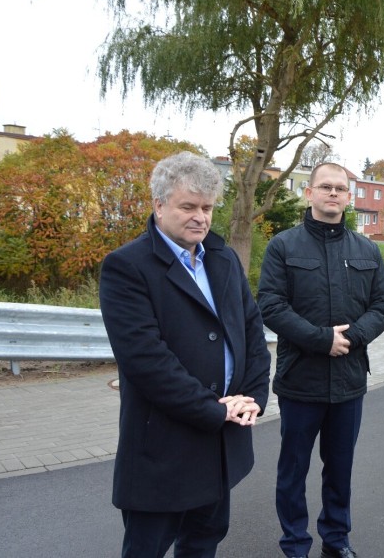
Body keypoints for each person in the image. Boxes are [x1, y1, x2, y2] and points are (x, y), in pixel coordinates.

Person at [99, 151, 271, 557]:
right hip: (163, 450)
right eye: (188, 207)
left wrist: (253, 399)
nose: (200, 217)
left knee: (202, 544)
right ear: (159, 205)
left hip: (219, 447)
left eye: (208, 207)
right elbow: (146, 361)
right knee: (147, 549)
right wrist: (215, 409)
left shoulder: (224, 259)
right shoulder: (127, 267)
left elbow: (251, 333)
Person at [258, 162, 384, 558]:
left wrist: (350, 339)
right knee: (293, 472)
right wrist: (321, 340)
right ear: (310, 193)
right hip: (301, 380)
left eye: (340, 188)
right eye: (325, 187)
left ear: (348, 197)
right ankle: (295, 545)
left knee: (339, 471)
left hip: (349, 381)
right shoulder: (284, 246)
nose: (333, 193)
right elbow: (270, 304)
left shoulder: (367, 249)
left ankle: (336, 540)